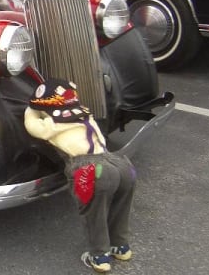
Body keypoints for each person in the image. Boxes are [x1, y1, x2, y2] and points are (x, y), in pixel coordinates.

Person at [24, 79, 136, 273]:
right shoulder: (84, 113)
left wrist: (31, 109)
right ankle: (121, 247)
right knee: (120, 206)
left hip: (92, 169)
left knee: (94, 213)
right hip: (120, 164)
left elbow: (31, 124)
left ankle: (99, 256)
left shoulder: (52, 123)